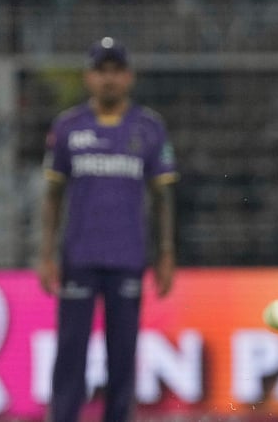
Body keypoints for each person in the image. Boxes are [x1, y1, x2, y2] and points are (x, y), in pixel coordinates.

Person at [36, 37, 179, 422]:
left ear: (129, 77)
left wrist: (166, 254)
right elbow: (52, 195)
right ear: (89, 77)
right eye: (102, 71)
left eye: (117, 71)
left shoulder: (149, 128)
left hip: (127, 257)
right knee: (71, 352)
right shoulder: (68, 127)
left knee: (123, 355)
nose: (109, 79)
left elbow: (163, 197)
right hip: (79, 257)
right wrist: (46, 254)